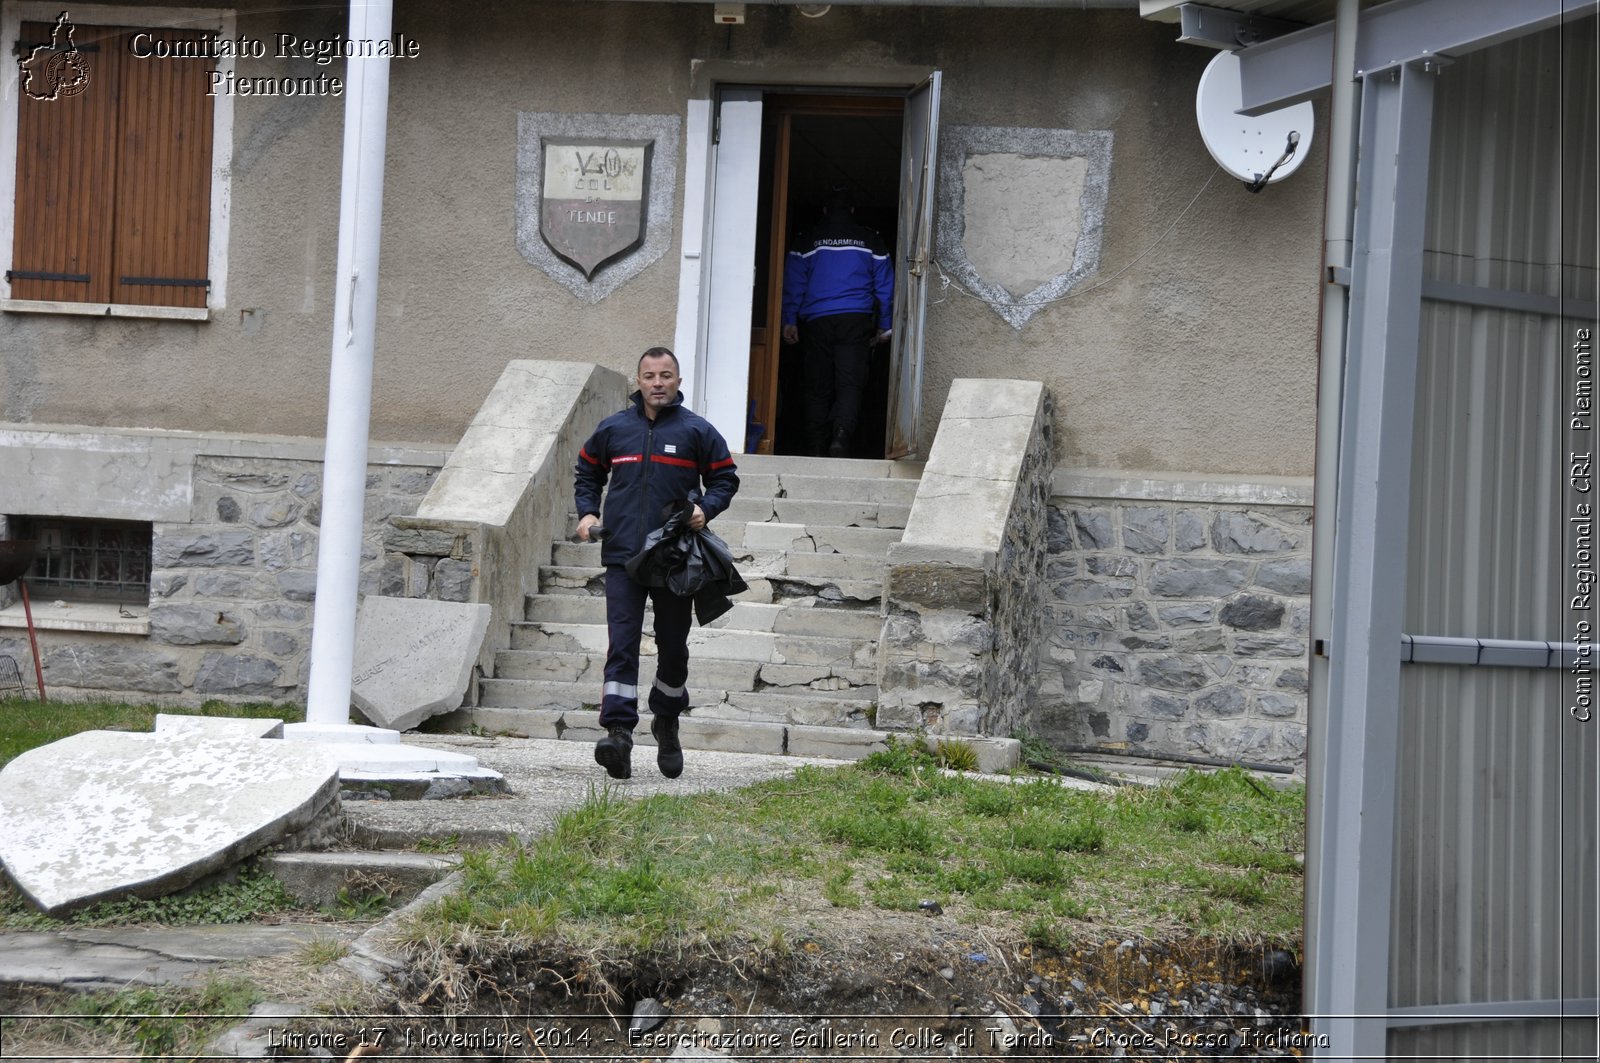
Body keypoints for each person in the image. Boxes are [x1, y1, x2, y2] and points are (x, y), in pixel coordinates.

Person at [574, 347, 740, 780]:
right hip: (623, 556)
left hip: (674, 557)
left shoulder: (697, 431)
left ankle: (666, 720)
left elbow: (725, 476)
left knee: (673, 647)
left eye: (666, 375)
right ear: (639, 381)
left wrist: (707, 507)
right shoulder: (614, 429)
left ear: (679, 381)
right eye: (650, 376)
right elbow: (588, 470)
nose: (658, 383)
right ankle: (618, 732)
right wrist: (587, 512)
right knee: (622, 645)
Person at [781, 183, 895, 458]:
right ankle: (840, 439)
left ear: (824, 210)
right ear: (853, 210)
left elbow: (793, 284)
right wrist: (886, 323)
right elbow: (885, 287)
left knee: (817, 385)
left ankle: (817, 445)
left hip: (816, 322)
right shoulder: (871, 240)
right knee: (849, 383)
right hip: (855, 320)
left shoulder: (807, 240)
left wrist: (789, 320)